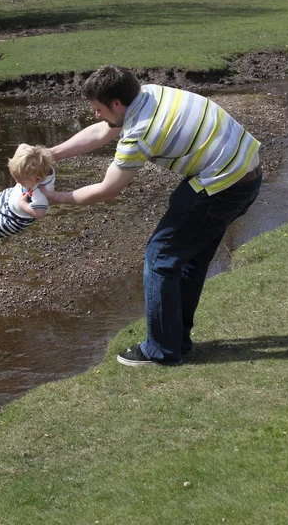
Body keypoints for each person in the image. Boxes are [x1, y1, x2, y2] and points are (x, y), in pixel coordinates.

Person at [41, 65, 262, 367]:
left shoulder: (139, 133)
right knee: (190, 258)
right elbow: (104, 129)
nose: (95, 114)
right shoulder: (149, 93)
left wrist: (56, 198)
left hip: (221, 186)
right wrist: (50, 154)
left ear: (116, 104)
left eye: (97, 108)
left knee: (160, 258)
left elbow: (108, 189)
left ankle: (161, 351)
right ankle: (177, 342)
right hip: (244, 173)